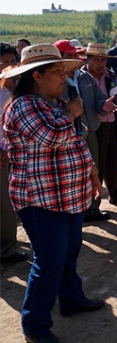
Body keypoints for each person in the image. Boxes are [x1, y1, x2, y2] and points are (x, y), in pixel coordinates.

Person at [2, 44, 105, 343]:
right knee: (49, 262)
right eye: (58, 72)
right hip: (39, 201)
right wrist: (71, 112)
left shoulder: (53, 104)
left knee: (69, 253)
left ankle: (71, 299)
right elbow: (52, 137)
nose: (64, 77)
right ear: (37, 76)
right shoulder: (23, 106)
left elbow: (76, 141)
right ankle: (35, 327)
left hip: (67, 198)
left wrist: (92, 171)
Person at [55, 40, 114, 223]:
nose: (74, 58)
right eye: (69, 55)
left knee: (93, 170)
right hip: (67, 137)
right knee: (73, 175)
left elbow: (99, 99)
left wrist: (103, 106)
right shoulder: (55, 81)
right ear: (60, 58)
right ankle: (75, 212)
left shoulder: (85, 77)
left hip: (90, 131)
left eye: (75, 55)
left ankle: (93, 209)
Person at [83, 43, 117, 206]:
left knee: (112, 160)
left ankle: (115, 193)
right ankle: (93, 205)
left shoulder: (111, 76)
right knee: (97, 164)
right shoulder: (82, 78)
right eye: (96, 60)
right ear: (88, 60)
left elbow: (116, 97)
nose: (100, 63)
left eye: (103, 60)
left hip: (111, 122)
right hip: (93, 126)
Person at [0, 42, 29, 263]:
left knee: (12, 200)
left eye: (12, 61)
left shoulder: (20, 86)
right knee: (4, 202)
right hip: (2, 153)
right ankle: (6, 247)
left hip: (17, 151)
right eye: (4, 62)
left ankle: (9, 243)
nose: (9, 65)